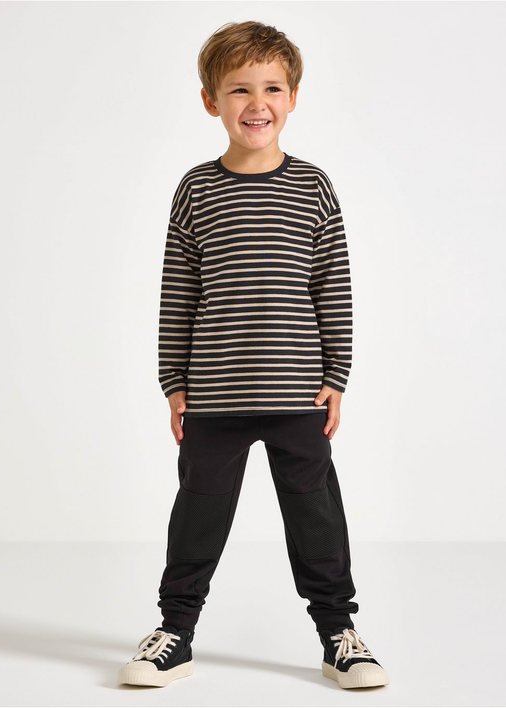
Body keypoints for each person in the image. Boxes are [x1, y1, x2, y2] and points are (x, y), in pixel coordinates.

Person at [118, 20, 389, 691]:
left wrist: (337, 375)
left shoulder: (313, 187)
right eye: (239, 89)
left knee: (315, 515)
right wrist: (173, 381)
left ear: (292, 97)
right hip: (214, 395)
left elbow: (332, 285)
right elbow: (179, 293)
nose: (256, 103)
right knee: (198, 514)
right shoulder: (197, 190)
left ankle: (338, 634)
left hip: (298, 393)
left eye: (271, 88)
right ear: (211, 100)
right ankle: (175, 631)